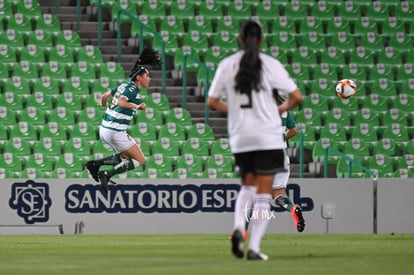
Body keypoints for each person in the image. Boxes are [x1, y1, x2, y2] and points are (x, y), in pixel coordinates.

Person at [207, 20, 303, 261]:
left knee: (247, 187)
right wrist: (277, 112)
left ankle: (239, 227)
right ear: (261, 40)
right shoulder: (271, 65)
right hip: (268, 137)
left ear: (239, 39)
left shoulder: (227, 65)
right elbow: (296, 97)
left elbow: (211, 101)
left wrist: (237, 110)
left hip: (241, 136)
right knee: (263, 195)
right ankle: (254, 248)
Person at [85, 48, 161, 194]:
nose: (149, 79)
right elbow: (121, 102)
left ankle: (96, 164)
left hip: (105, 129)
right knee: (140, 160)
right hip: (115, 131)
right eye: (147, 76)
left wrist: (102, 104)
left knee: (125, 158)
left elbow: (104, 96)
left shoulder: (123, 85)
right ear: (139, 78)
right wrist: (136, 106)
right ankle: (106, 174)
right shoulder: (133, 89)